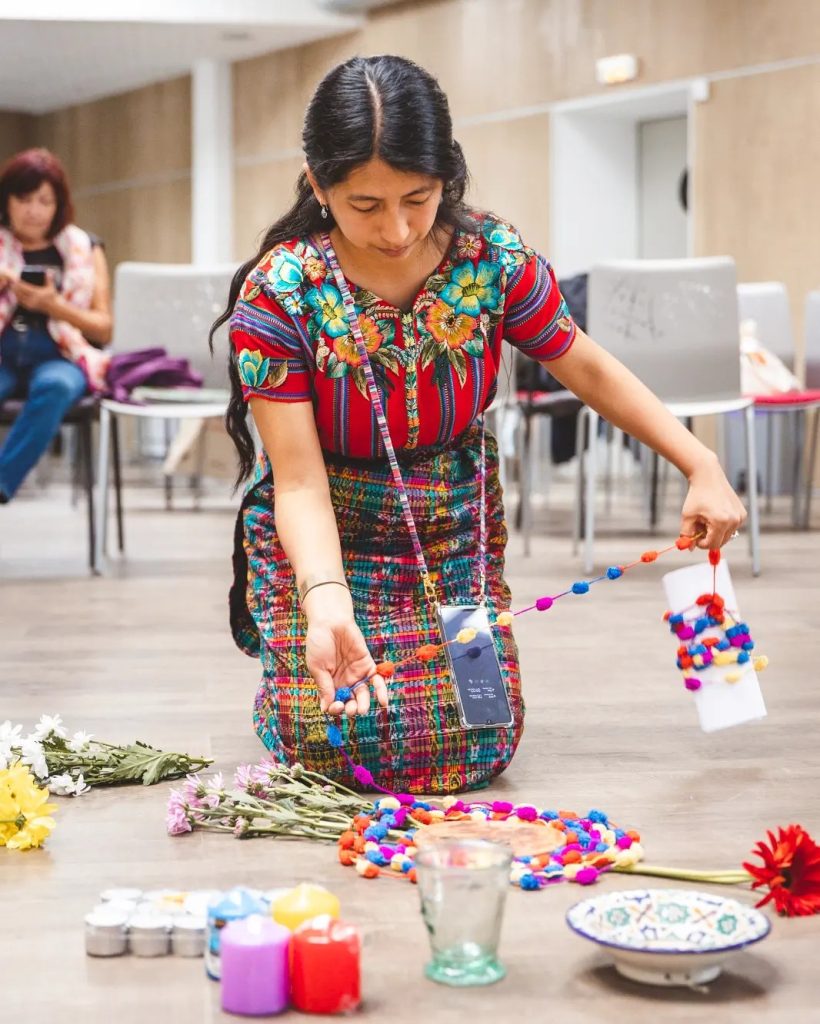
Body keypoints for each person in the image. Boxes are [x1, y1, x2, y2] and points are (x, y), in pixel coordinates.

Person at [216, 55, 746, 795]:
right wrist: (324, 596)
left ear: (447, 176)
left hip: (448, 521)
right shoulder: (279, 295)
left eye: (418, 197)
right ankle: (295, 654)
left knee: (476, 737)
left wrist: (700, 463)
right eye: (364, 204)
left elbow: (584, 364)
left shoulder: (492, 259)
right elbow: (297, 480)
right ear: (317, 184)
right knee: (336, 738)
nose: (396, 229)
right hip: (325, 529)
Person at [0, 148, 112, 503]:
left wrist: (54, 306)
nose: (34, 210)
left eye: (44, 201)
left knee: (57, 387)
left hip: (59, 354)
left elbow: (103, 329)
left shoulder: (85, 248)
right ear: (7, 200)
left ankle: (2, 484)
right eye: (24, 198)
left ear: (58, 205)